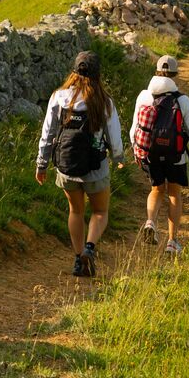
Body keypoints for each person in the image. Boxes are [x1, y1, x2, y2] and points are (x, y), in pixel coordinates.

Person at [35, 49, 124, 277]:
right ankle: (90, 248)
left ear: (74, 70)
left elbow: (48, 133)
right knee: (100, 212)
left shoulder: (59, 97)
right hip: (95, 166)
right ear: (97, 74)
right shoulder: (104, 102)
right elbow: (114, 136)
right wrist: (118, 158)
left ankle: (77, 259)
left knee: (75, 211)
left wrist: (42, 164)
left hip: (66, 166)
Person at [130, 53, 189, 255]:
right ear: (174, 75)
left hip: (151, 154)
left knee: (156, 189)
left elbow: (135, 129)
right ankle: (172, 242)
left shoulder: (143, 96)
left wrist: (137, 152)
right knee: (174, 194)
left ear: (156, 72)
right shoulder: (182, 100)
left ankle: (150, 222)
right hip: (175, 156)